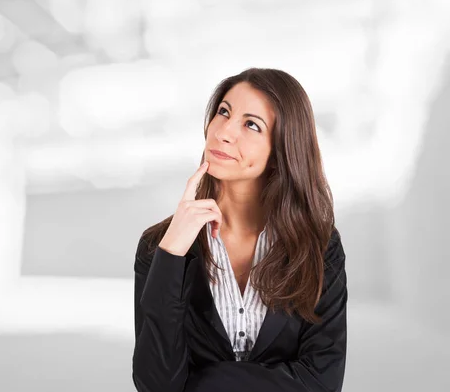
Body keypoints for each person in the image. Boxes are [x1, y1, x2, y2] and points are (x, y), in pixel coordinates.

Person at [132, 67, 348, 392]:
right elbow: (156, 384)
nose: (224, 132)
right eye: (223, 112)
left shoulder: (318, 245)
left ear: (281, 150)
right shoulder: (159, 246)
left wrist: (203, 384)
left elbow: (321, 381)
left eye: (251, 125)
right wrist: (171, 254)